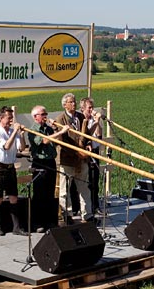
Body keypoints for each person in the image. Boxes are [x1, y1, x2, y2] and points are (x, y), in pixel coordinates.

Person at [27, 105, 69, 232]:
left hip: (50, 162)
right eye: (43, 114)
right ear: (35, 117)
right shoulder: (33, 129)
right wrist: (60, 132)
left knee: (50, 193)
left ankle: (49, 221)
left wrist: (56, 129)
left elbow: (55, 142)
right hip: (39, 163)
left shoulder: (48, 129)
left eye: (46, 114)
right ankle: (37, 223)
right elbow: (44, 141)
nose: (45, 116)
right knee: (40, 194)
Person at [55, 93, 94, 223]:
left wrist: (88, 145)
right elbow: (62, 141)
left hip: (82, 159)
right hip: (68, 160)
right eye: (71, 102)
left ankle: (87, 214)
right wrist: (76, 152)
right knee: (64, 190)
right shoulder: (60, 119)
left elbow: (87, 134)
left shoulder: (81, 116)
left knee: (84, 187)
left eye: (74, 101)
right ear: (64, 104)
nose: (74, 104)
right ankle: (67, 215)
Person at [0, 106, 27, 236]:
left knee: (13, 197)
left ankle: (16, 227)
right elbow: (6, 146)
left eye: (12, 118)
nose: (11, 120)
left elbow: (21, 147)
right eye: (8, 118)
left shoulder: (12, 132)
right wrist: (15, 131)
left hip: (10, 167)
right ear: (1, 118)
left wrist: (21, 136)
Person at [80, 97, 104, 215]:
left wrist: (98, 122)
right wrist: (95, 122)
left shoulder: (94, 120)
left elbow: (99, 135)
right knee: (86, 180)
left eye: (92, 107)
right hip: (84, 152)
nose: (91, 110)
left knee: (95, 179)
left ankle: (95, 205)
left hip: (95, 150)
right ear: (83, 108)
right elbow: (86, 134)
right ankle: (85, 207)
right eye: (89, 107)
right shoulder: (81, 120)